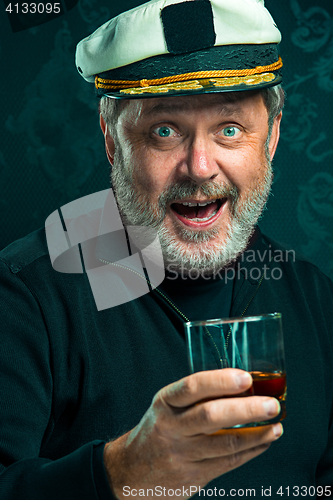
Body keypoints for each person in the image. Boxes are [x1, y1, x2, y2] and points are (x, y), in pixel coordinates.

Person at [1, 0, 333, 499]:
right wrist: (123, 473)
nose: (199, 167)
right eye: (164, 131)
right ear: (112, 140)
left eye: (229, 129)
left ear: (272, 138)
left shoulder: (316, 298)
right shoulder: (25, 294)